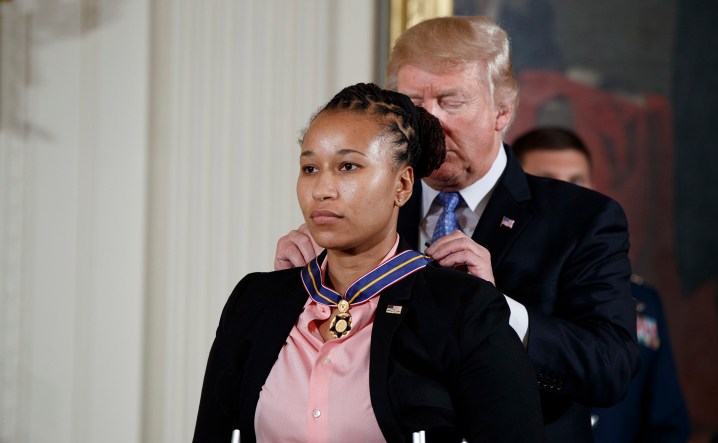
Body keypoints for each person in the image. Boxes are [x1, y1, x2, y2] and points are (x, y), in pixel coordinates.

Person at [274, 16, 639, 442]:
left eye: (450, 102)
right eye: (412, 104)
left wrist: (500, 311)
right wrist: (292, 298)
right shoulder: (360, 215)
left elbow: (610, 370)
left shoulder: (583, 219)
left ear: (503, 109)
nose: (427, 124)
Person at [194, 83, 545, 443]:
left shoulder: (463, 307)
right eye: (310, 168)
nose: (321, 190)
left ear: (403, 185)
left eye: (348, 166)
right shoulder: (254, 299)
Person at [511, 126, 691, 443]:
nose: (566, 196)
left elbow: (666, 420)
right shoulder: (498, 293)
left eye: (577, 182)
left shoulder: (643, 301)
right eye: (549, 182)